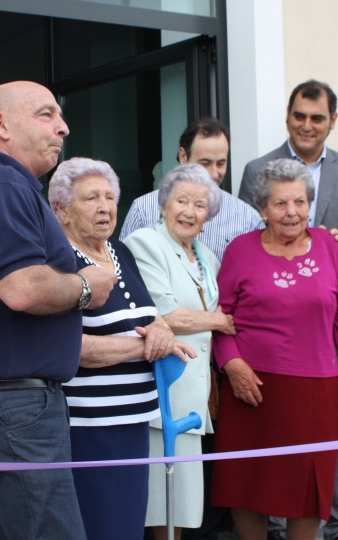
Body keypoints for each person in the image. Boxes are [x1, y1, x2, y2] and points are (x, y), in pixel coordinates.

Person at [0, 81, 117, 540]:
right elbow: (21, 289)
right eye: (46, 114)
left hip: (10, 403)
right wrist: (85, 285)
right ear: (1, 124)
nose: (63, 126)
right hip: (14, 404)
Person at [237, 80, 338, 540]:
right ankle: (275, 528)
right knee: (265, 460)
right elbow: (243, 255)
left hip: (324, 341)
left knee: (328, 444)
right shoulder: (257, 170)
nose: (307, 125)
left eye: (317, 118)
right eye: (300, 115)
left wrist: (323, 289)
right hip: (265, 352)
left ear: (331, 122)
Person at [211, 158, 338, 540]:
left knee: (308, 487)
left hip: (314, 389)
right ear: (264, 209)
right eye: (281, 204)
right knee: (247, 484)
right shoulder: (240, 250)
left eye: (300, 202)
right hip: (250, 389)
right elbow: (221, 318)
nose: (292, 212)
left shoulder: (327, 248)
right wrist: (232, 364)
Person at [48, 156, 196, 540]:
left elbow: (147, 317)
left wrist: (161, 330)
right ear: (61, 210)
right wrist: (143, 346)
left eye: (110, 197)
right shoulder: (59, 263)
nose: (105, 207)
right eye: (91, 198)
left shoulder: (120, 252)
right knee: (99, 528)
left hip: (134, 423)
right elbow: (68, 347)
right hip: (89, 429)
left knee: (128, 528)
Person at [124, 163, 236, 540]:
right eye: (181, 201)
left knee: (184, 504)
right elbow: (166, 315)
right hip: (164, 395)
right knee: (164, 502)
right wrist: (220, 321)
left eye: (199, 205)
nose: (189, 211)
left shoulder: (206, 255)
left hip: (196, 394)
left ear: (209, 215)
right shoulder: (145, 242)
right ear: (163, 204)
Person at [120, 117, 262, 262]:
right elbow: (123, 270)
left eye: (220, 164)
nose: (214, 173)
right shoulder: (143, 209)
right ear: (183, 156)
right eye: (205, 163)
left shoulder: (248, 219)